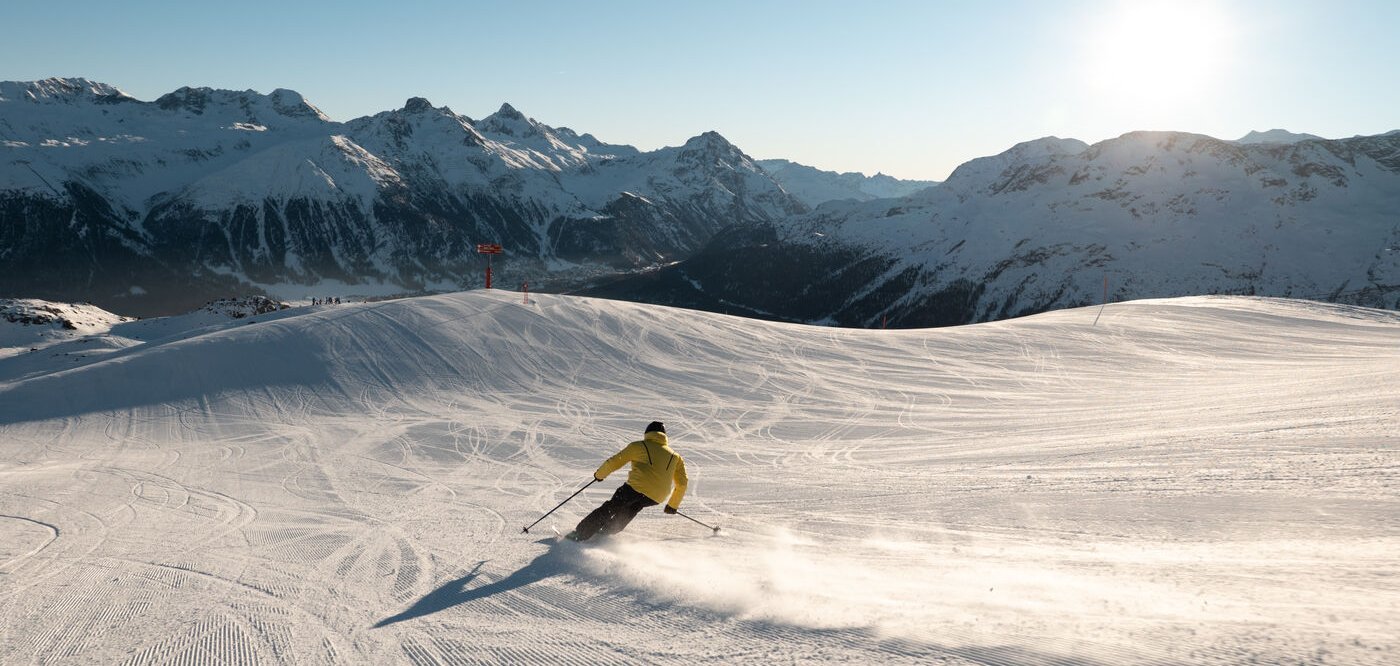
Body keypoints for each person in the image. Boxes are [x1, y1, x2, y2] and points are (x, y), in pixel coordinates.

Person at [568, 421, 688, 541]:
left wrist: (599, 475)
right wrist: (672, 505)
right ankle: (604, 533)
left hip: (635, 488)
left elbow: (614, 462)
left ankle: (580, 534)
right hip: (656, 497)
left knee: (611, 507)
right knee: (632, 509)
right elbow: (682, 483)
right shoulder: (676, 457)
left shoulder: (639, 446)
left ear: (647, 433)